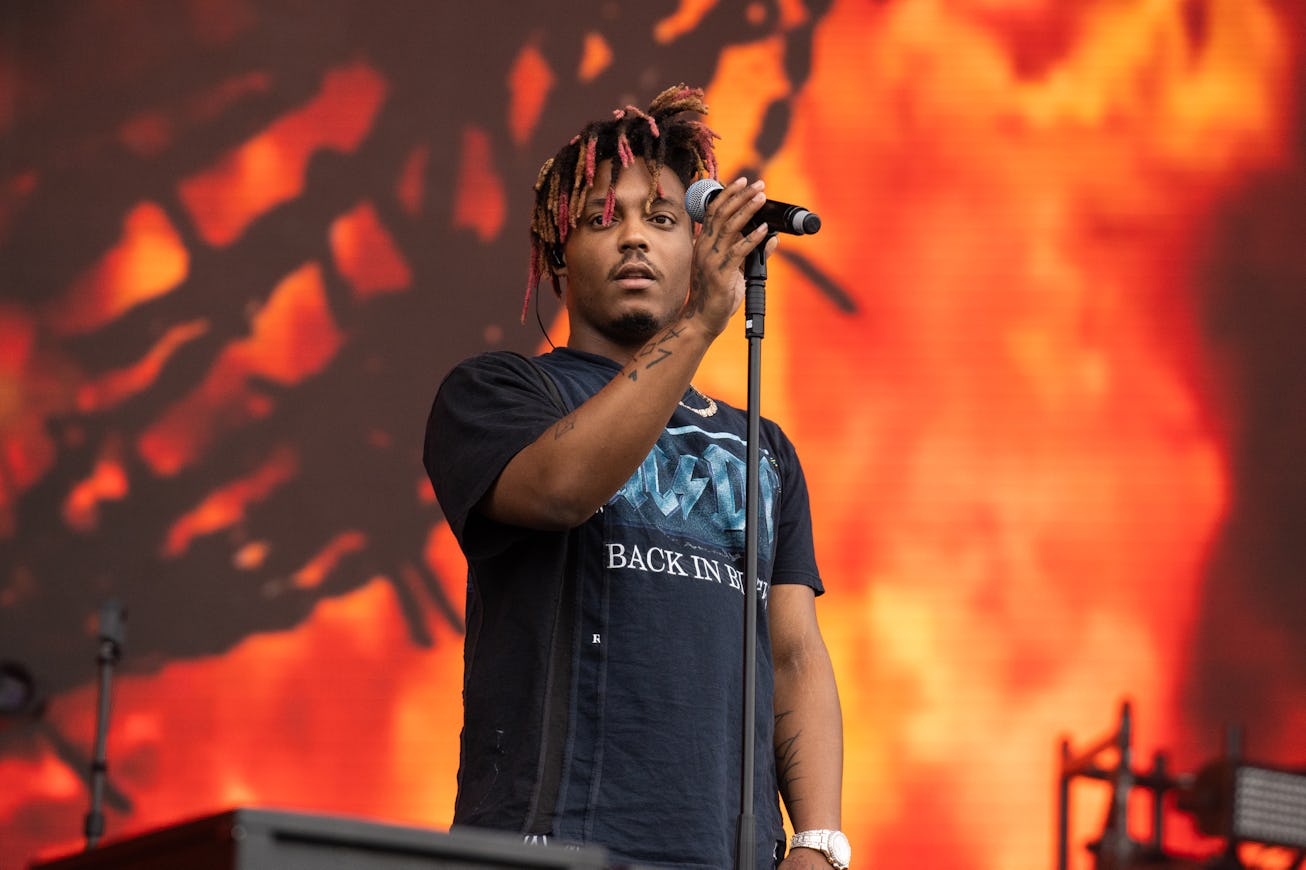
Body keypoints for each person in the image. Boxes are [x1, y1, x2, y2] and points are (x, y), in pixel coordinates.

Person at [424, 84, 845, 870]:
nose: (633, 240)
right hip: (548, 849)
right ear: (557, 254)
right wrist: (701, 321)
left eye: (660, 219)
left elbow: (793, 655)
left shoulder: (764, 451)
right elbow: (562, 488)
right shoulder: (499, 395)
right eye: (600, 219)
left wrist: (819, 844)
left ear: (696, 244)